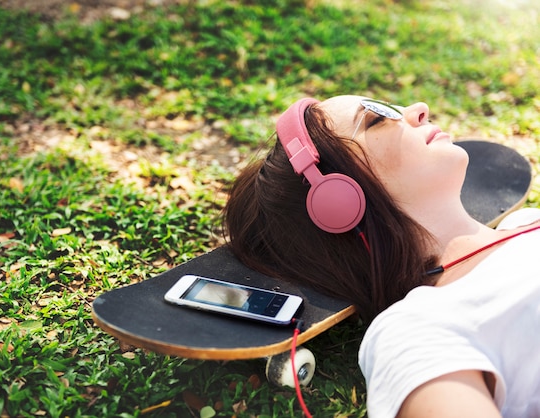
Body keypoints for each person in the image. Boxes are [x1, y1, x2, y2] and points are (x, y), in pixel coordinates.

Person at [222, 95, 540, 417]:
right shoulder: (416, 329)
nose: (419, 109)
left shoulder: (526, 222)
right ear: (339, 199)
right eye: (377, 118)